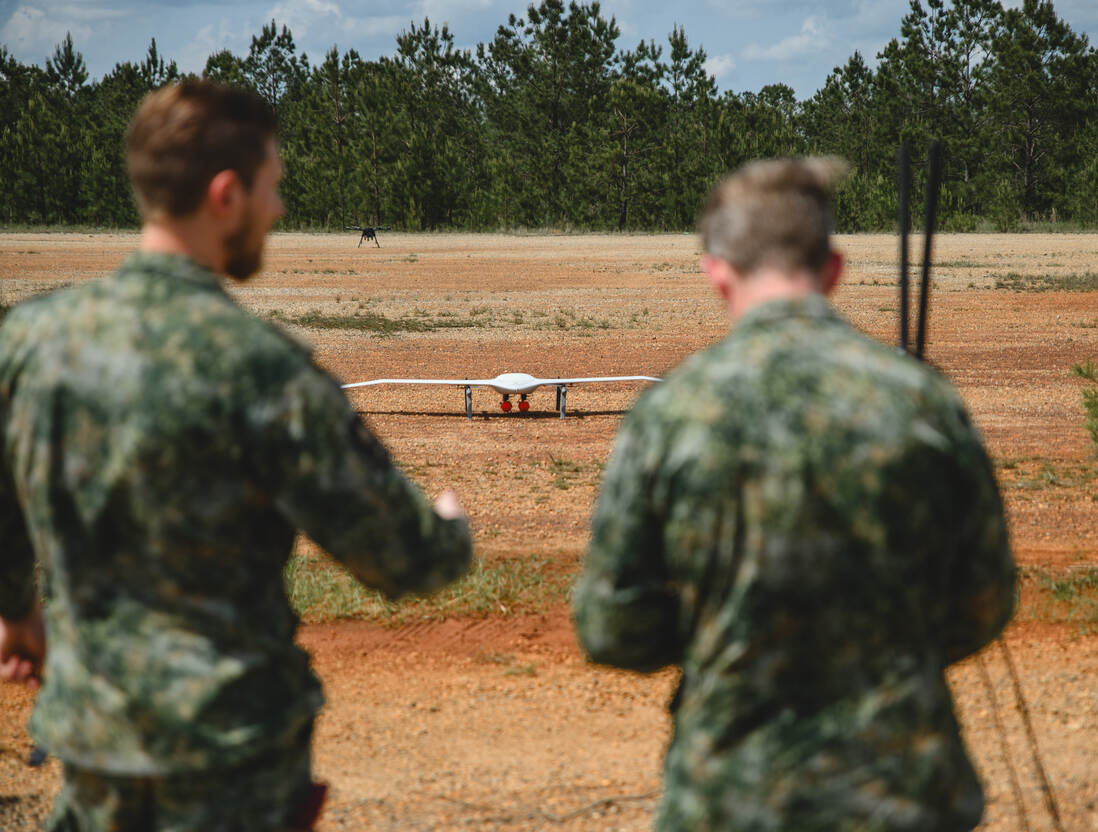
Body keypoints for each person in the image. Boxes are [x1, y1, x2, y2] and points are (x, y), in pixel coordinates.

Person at [0, 79, 473, 831]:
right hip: (232, 759)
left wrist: (19, 613)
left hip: (91, 744)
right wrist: (448, 526)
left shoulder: (25, 342)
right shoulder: (263, 368)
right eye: (272, 188)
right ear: (226, 194)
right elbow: (403, 558)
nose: (278, 210)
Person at [573, 157, 1016, 831]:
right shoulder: (921, 400)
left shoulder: (673, 413)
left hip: (732, 799)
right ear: (833, 268)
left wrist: (720, 636)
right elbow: (983, 602)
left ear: (716, 271)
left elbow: (610, 625)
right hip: (902, 797)